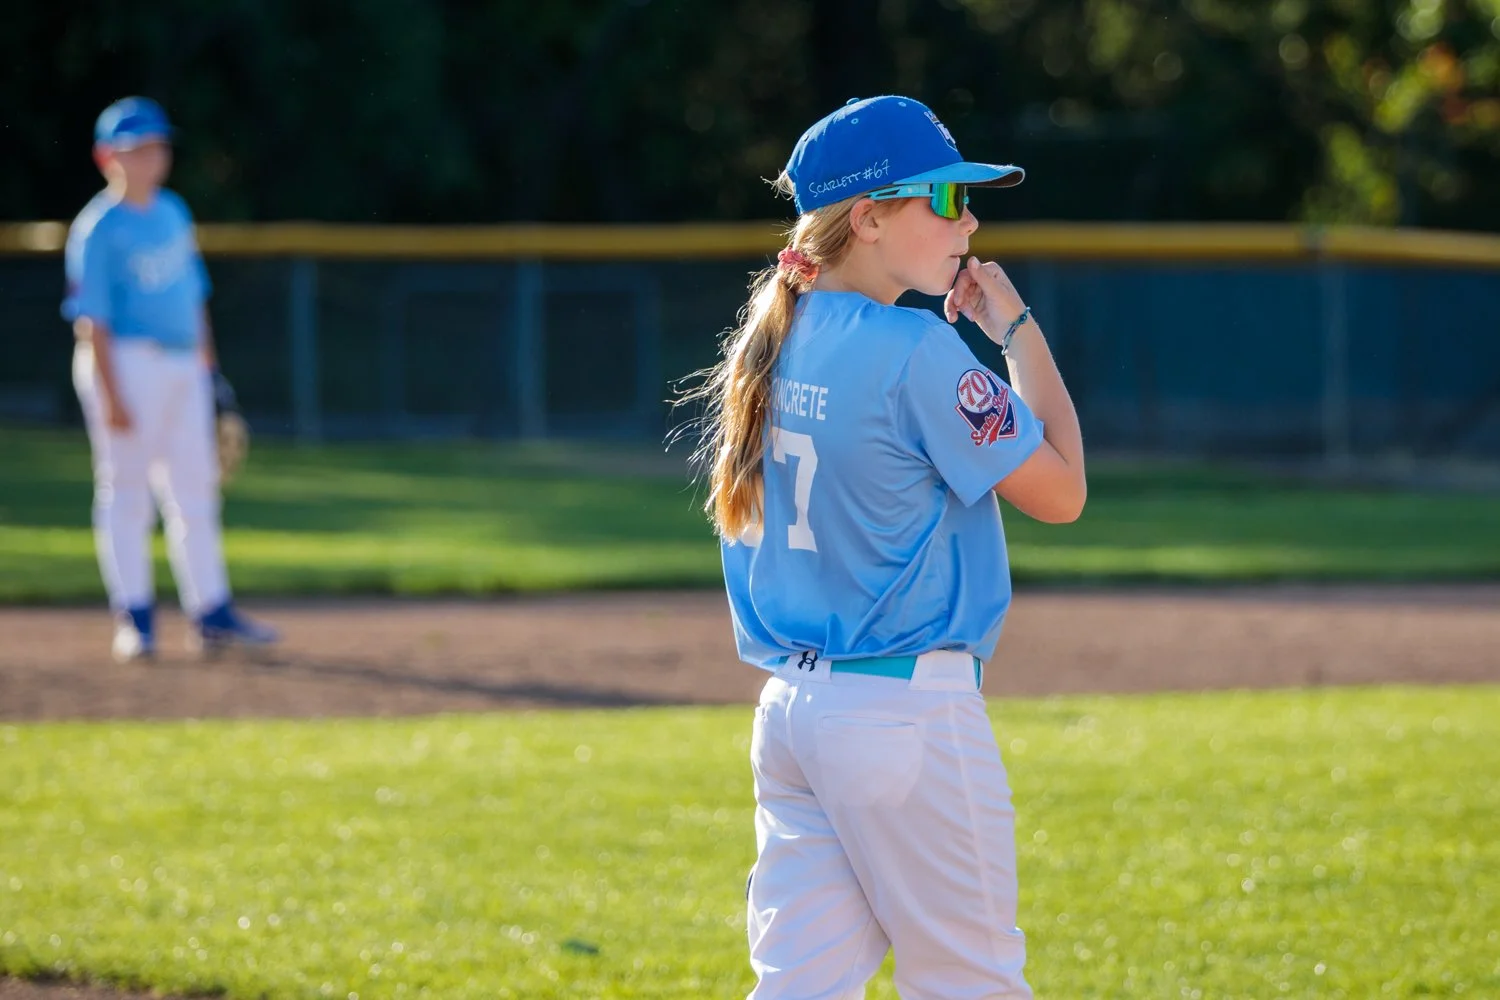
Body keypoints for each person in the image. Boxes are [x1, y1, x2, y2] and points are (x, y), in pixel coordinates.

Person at [685, 96, 1086, 998]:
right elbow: (1063, 492)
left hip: (793, 712)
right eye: (943, 200)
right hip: (904, 713)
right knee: (973, 982)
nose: (969, 220)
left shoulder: (775, 336)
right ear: (868, 217)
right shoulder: (917, 348)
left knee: (799, 985)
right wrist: (1016, 331)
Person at [63, 96, 278, 663]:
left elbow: (195, 300)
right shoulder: (97, 228)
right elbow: (93, 322)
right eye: (137, 148)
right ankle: (134, 619)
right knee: (127, 492)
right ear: (107, 156)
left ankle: (212, 611)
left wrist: (211, 376)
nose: (151, 157)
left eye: (158, 146)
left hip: (184, 362)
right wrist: (110, 393)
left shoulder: (173, 212)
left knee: (195, 490)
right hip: (126, 363)